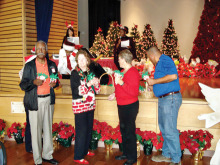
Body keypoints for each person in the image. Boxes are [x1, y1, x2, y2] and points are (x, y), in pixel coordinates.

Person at [20, 41, 59, 165]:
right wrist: (33, 82)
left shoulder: (52, 64)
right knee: (36, 131)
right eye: (38, 49)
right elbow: (23, 84)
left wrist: (55, 84)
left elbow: (56, 80)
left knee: (48, 129)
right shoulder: (29, 66)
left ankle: (47, 155)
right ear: (35, 51)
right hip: (35, 101)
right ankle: (37, 159)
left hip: (49, 100)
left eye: (43, 48)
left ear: (46, 51)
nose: (41, 50)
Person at [146, 46, 182, 165]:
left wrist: (154, 81)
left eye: (148, 57)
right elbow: (164, 80)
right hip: (165, 99)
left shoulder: (165, 59)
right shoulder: (160, 64)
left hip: (170, 98)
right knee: (165, 128)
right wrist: (152, 86)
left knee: (169, 130)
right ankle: (166, 154)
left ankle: (176, 160)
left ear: (152, 55)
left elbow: (173, 76)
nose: (149, 60)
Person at [108, 49, 140, 165]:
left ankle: (132, 158)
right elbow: (121, 89)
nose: (118, 61)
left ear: (125, 60)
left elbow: (133, 92)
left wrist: (121, 82)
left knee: (129, 132)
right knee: (124, 130)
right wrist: (114, 94)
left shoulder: (133, 72)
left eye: (119, 59)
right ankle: (126, 153)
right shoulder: (123, 71)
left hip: (130, 106)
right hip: (122, 105)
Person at [70, 50, 100, 164]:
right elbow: (78, 91)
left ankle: (84, 150)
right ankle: (78, 156)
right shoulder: (74, 73)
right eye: (79, 59)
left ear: (88, 60)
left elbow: (96, 91)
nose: (81, 62)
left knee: (88, 129)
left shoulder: (90, 71)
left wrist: (96, 83)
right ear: (77, 61)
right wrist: (89, 84)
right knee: (81, 131)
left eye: (83, 59)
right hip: (80, 106)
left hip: (90, 104)